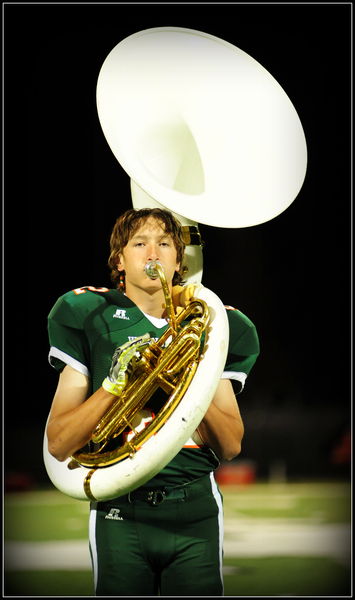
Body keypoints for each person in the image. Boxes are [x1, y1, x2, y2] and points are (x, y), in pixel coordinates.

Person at [46, 207, 260, 596]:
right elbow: (60, 442)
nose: (153, 254)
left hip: (195, 507)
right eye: (139, 243)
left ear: (179, 260)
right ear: (119, 259)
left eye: (164, 244)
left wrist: (189, 380)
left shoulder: (212, 323)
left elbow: (230, 444)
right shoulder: (91, 315)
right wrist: (114, 383)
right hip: (120, 511)